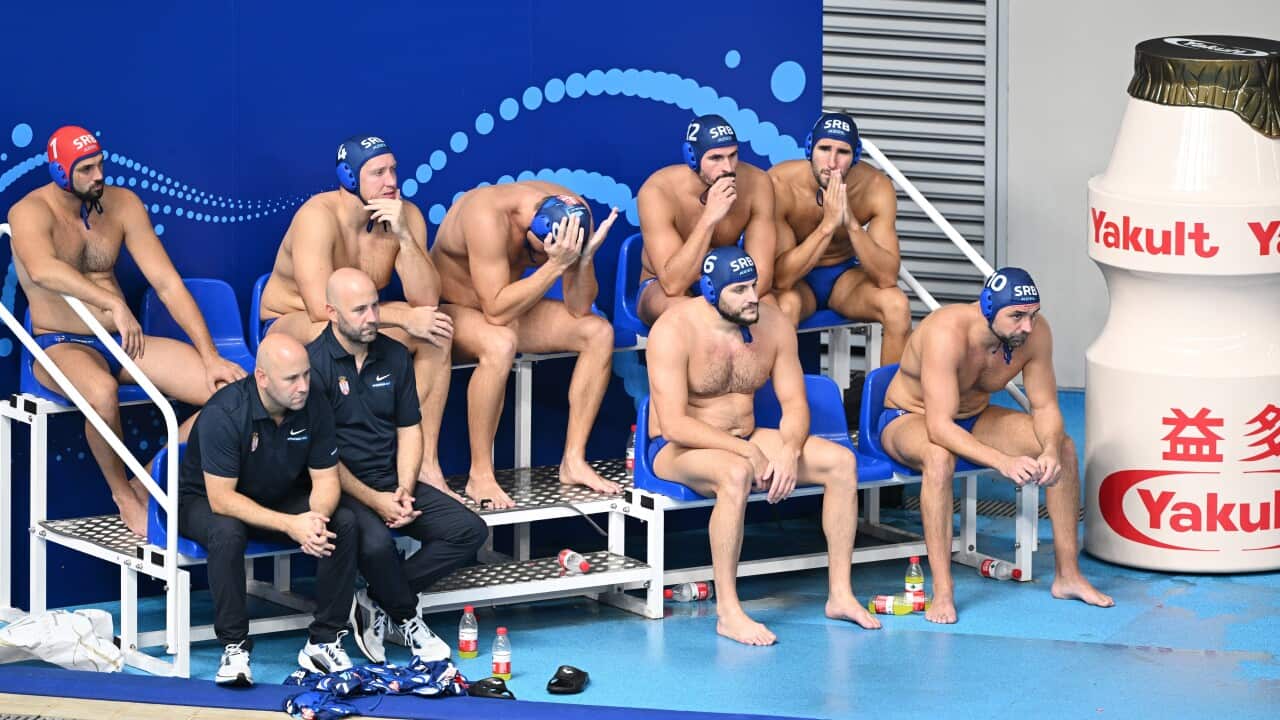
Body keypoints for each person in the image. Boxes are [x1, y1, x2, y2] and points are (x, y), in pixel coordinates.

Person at [9, 125, 247, 536]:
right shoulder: (29, 211)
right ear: (61, 173)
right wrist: (111, 302)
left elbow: (167, 283)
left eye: (101, 164)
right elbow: (41, 270)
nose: (99, 175)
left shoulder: (122, 205)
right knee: (101, 394)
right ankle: (122, 495)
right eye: (86, 169)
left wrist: (210, 355)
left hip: (122, 341)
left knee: (229, 394)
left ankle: (147, 479)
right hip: (61, 344)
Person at [645, 246, 879, 646]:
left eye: (753, 285)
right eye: (739, 289)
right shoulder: (673, 330)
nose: (752, 297)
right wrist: (747, 453)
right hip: (677, 448)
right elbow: (674, 423)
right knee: (735, 473)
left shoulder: (772, 322)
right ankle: (728, 612)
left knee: (840, 462)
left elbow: (794, 404)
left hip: (748, 437)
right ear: (710, 291)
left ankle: (840, 595)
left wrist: (788, 449)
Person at [878, 267, 1115, 623]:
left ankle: (1068, 575)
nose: (1027, 326)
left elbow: (1046, 407)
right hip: (909, 417)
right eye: (1017, 316)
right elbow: (939, 427)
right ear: (988, 308)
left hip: (974, 417)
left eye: (1032, 314)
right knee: (939, 457)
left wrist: (1048, 446)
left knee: (1063, 447)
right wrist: (1001, 461)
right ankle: (942, 591)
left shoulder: (1033, 335)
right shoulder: (946, 333)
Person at [258, 135, 457, 500]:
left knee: (436, 331)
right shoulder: (317, 218)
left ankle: (425, 461)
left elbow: (427, 298)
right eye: (378, 173)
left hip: (358, 323)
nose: (392, 181)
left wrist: (405, 237)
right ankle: (336, 467)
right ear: (349, 178)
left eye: (394, 169)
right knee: (331, 330)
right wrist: (402, 316)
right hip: (292, 318)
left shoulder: (405, 214)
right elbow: (321, 309)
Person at [307, 268, 487, 664]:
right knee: (375, 544)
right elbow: (320, 458)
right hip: (342, 488)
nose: (372, 317)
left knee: (468, 531)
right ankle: (405, 613)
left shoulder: (392, 354)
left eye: (375, 306)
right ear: (330, 312)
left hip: (392, 479)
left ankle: (376, 599)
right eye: (359, 310)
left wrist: (403, 489)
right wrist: (376, 500)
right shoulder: (313, 366)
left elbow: (410, 429)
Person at [177, 334, 357, 685]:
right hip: (206, 501)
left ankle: (323, 640)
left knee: (344, 521)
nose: (303, 386)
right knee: (227, 532)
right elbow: (222, 500)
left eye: (306, 375)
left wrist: (314, 521)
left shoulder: (313, 403)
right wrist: (291, 524)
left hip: (276, 494)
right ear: (261, 377)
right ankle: (234, 647)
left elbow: (326, 479)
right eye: (291, 379)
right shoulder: (224, 413)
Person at [430, 182, 619, 508]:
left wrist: (583, 259)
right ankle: (480, 474)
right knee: (500, 342)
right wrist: (556, 265)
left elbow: (579, 308)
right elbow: (495, 309)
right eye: (537, 253)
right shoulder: (486, 215)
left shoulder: (575, 215)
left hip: (509, 305)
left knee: (597, 332)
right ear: (532, 227)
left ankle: (573, 460)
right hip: (453, 308)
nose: (537, 259)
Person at [768, 112, 911, 365]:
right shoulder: (780, 184)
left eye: (842, 152)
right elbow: (781, 279)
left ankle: (892, 402)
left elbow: (887, 277)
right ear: (810, 148)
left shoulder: (876, 187)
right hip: (799, 283)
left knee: (897, 306)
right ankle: (782, 401)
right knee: (783, 307)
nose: (832, 162)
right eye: (824, 148)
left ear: (855, 156)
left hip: (845, 281)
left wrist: (852, 224)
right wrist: (827, 226)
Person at [636, 114, 777, 325]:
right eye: (716, 158)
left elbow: (763, 276)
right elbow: (673, 284)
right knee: (691, 316)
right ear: (692, 157)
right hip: (662, 289)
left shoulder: (757, 183)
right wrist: (709, 218)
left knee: (773, 316)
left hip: (732, 285)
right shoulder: (658, 191)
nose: (728, 168)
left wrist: (729, 296)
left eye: (733, 155)